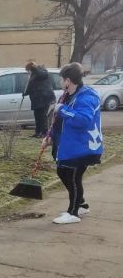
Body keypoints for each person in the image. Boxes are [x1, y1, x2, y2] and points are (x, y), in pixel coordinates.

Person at [44, 62, 103, 225]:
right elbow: (58, 120)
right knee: (62, 172)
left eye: (62, 79)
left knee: (73, 176)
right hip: (68, 145)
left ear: (68, 80)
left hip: (83, 147)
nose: (61, 83)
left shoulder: (87, 96)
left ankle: (73, 212)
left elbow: (84, 120)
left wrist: (62, 109)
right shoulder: (66, 95)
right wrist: (49, 136)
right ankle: (81, 204)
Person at [23, 61, 55, 138]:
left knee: (43, 116)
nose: (28, 72)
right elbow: (30, 85)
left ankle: (44, 133)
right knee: (37, 116)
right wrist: (25, 92)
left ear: (32, 68)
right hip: (36, 99)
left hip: (44, 98)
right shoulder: (33, 75)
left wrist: (36, 67)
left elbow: (43, 75)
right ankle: (38, 132)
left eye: (28, 70)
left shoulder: (42, 70)